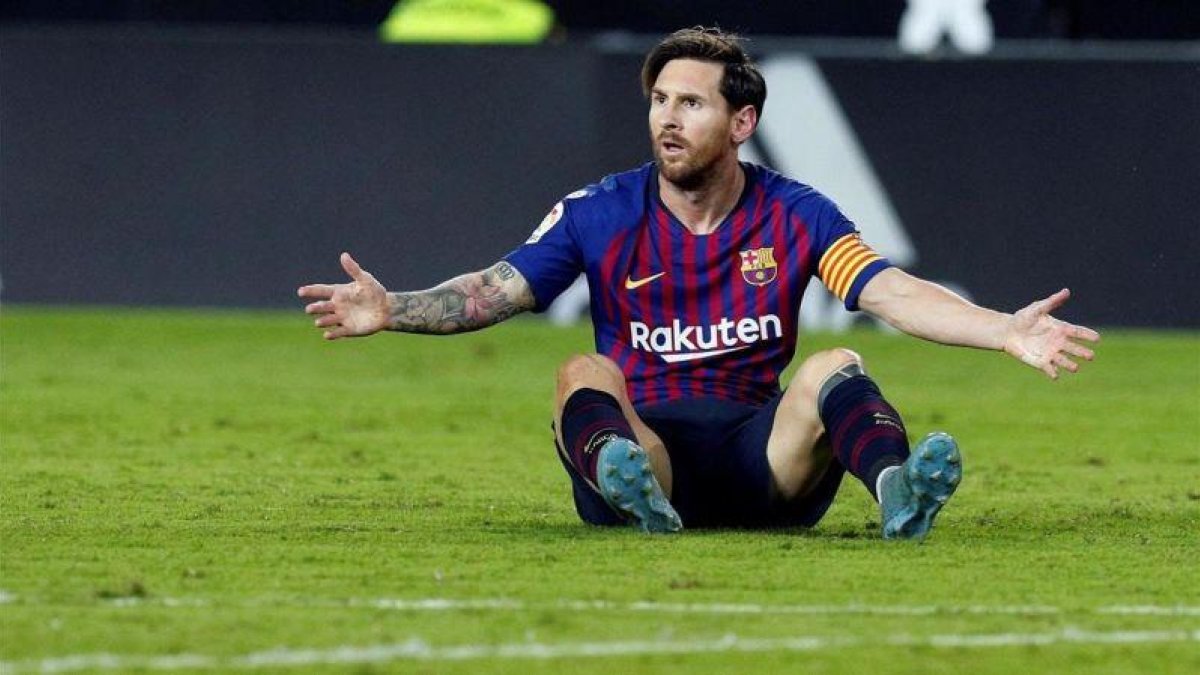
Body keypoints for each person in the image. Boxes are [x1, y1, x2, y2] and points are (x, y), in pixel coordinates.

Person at [297, 27, 1099, 539]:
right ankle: (624, 478)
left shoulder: (797, 213)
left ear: (741, 123)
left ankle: (896, 492)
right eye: (658, 100)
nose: (666, 119)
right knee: (581, 370)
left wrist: (1003, 328)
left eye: (689, 102)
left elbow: (888, 291)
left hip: (764, 461)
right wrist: (392, 306)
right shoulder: (599, 211)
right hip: (654, 453)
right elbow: (492, 289)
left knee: (833, 367)